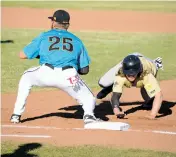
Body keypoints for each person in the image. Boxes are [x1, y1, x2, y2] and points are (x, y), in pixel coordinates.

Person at [10, 10, 101, 124]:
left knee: (26, 77)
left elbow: (22, 55)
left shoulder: (44, 36)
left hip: (45, 73)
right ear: (67, 24)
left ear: (53, 22)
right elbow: (85, 70)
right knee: (89, 98)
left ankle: (16, 115)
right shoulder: (77, 40)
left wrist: (43, 55)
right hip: (68, 76)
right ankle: (89, 115)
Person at [97, 53, 163, 119]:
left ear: (138, 71)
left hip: (147, 62)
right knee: (103, 83)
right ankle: (112, 86)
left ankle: (155, 63)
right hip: (128, 61)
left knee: (146, 93)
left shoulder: (146, 75)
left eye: (133, 74)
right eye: (128, 74)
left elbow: (158, 95)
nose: (131, 75)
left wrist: (152, 114)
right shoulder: (121, 74)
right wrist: (116, 111)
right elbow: (115, 95)